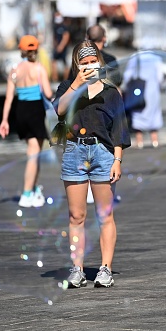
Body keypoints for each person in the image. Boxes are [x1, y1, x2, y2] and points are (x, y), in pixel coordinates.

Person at [53, 40, 130, 288]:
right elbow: (59, 110)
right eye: (83, 63)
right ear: (76, 65)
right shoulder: (67, 87)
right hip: (75, 151)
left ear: (100, 62)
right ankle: (77, 269)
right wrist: (77, 84)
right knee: (76, 215)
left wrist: (117, 159)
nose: (89, 67)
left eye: (92, 62)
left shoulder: (111, 92)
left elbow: (119, 129)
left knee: (104, 215)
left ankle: (105, 268)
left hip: (103, 153)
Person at [0, 35, 53, 207]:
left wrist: (4, 120)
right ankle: (27, 193)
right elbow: (49, 93)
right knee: (33, 153)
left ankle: (34, 189)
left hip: (20, 110)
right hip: (35, 110)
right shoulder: (39, 69)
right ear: (36, 50)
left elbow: (8, 99)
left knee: (34, 152)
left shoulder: (14, 71)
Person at [122, 51, 164, 148]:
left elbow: (128, 75)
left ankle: (139, 141)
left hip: (138, 89)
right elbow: (160, 76)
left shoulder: (135, 57)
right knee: (154, 114)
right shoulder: (156, 57)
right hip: (153, 90)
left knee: (138, 112)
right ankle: (155, 140)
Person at [51, 11, 71, 82]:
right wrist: (55, 45)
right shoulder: (55, 26)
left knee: (65, 63)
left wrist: (61, 46)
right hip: (57, 47)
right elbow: (55, 37)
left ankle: (66, 79)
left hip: (63, 48)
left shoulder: (64, 27)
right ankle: (55, 78)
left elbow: (66, 37)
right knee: (53, 61)